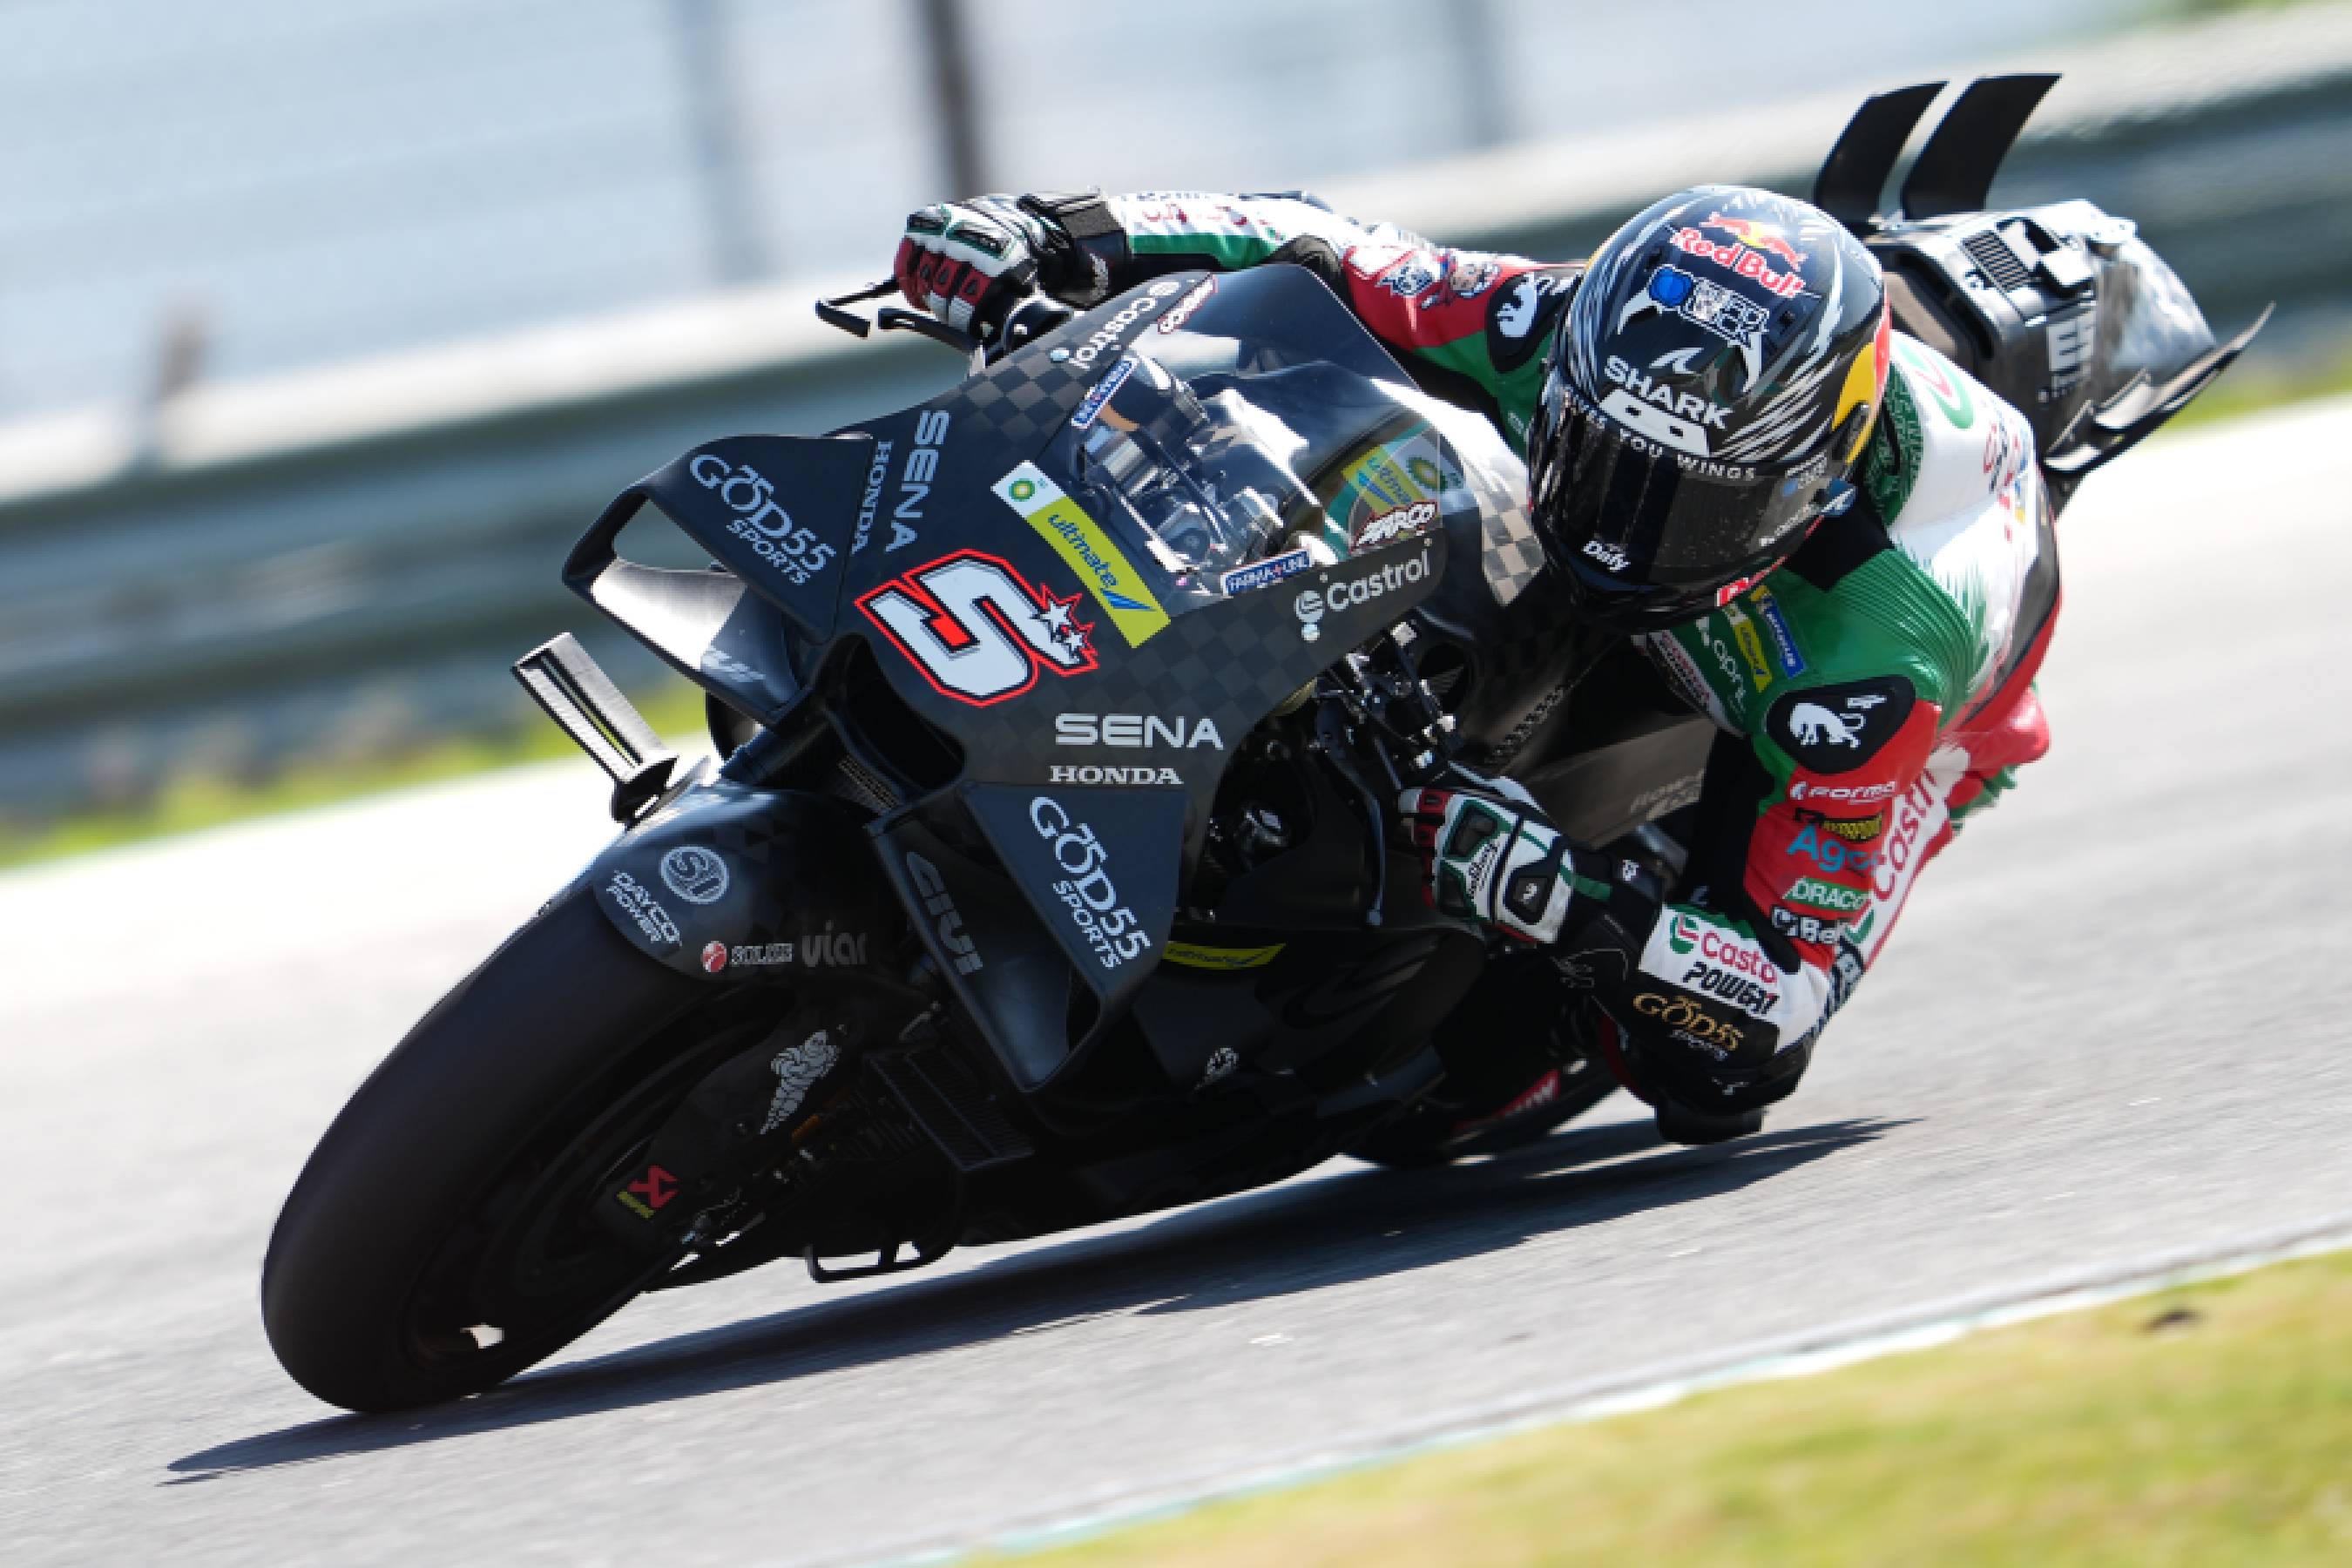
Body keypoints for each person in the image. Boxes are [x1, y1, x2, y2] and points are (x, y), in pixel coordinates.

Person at [891, 187, 2057, 1146]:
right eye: (1602, 458)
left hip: (1845, 690)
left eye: (1685, 506)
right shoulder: (1552, 330)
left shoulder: (1877, 668)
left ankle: (1505, 1027)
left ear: (1804, 484)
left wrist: (1550, 884)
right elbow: (1324, 246)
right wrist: (1067, 233)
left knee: (1695, 1079)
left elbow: (1773, 992)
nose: (1620, 532)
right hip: (1700, 570)